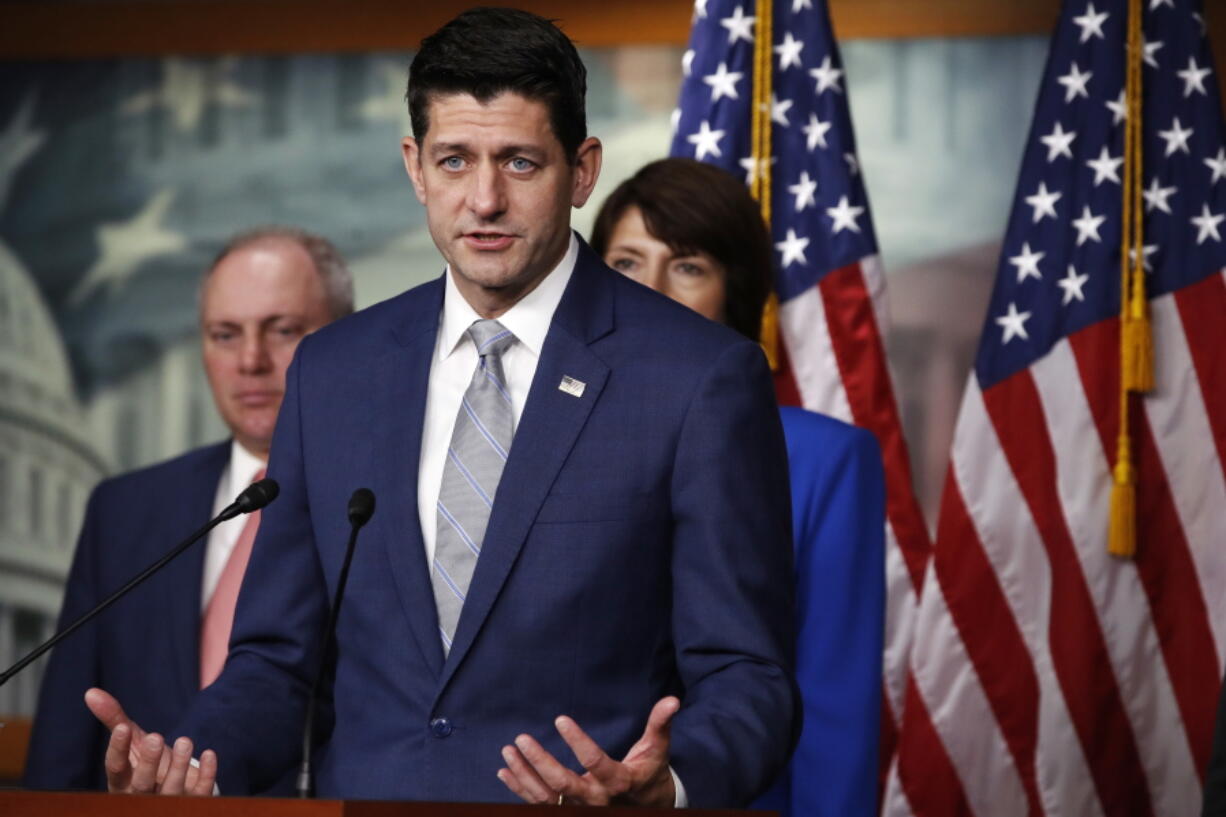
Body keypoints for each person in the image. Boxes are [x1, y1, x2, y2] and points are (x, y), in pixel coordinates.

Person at [81, 8, 798, 808]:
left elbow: (749, 676)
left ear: (582, 169)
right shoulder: (334, 371)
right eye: (455, 161)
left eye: (520, 163)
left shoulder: (699, 378)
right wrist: (191, 758)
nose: (483, 199)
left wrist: (668, 782)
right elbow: (278, 663)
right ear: (416, 166)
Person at [591, 157, 886, 817]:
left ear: (736, 293)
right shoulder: (532, 438)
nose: (651, 290)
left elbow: (833, 706)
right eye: (626, 263)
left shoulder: (824, 458)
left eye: (689, 266)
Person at [22, 227, 353, 792]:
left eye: (284, 331)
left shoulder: (382, 502)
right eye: (225, 334)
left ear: (344, 338)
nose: (250, 360)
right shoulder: (125, 512)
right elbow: (63, 744)